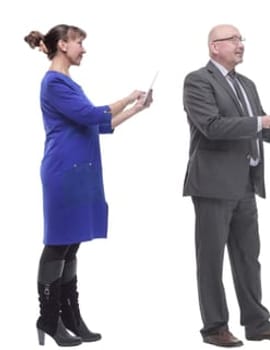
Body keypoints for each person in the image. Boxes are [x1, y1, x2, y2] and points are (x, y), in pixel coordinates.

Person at [25, 24, 153, 348]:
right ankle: (49, 319)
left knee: (72, 244)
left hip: (79, 172)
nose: (84, 49)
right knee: (58, 243)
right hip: (63, 173)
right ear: (63, 45)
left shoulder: (68, 83)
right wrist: (128, 96)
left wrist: (136, 109)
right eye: (80, 43)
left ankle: (71, 317)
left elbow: (97, 123)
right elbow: (88, 114)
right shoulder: (54, 82)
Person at [181, 24, 270, 348]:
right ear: (214, 47)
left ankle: (257, 323)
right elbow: (211, 126)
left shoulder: (246, 84)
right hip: (212, 184)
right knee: (211, 260)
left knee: (249, 257)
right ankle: (215, 328)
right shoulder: (197, 81)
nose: (240, 45)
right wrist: (260, 122)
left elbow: (257, 126)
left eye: (241, 39)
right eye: (233, 40)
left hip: (245, 184)